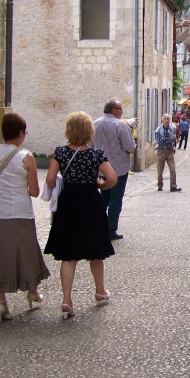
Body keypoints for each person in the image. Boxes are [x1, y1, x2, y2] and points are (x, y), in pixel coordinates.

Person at [0, 112, 49, 321]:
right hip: (20, 213)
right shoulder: (26, 158)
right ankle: (32, 291)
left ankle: (1, 303)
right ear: (20, 133)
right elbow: (34, 191)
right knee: (27, 252)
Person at [44, 111, 118, 319]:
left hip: (68, 203)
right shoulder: (96, 155)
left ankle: (67, 300)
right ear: (88, 131)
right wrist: (101, 185)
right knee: (96, 251)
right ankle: (100, 291)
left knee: (69, 255)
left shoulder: (60, 153)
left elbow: (50, 180)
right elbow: (112, 178)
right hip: (90, 203)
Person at [93, 99, 137, 240]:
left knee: (103, 198)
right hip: (118, 168)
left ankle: (98, 226)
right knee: (115, 200)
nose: (122, 111)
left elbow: (90, 145)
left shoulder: (95, 124)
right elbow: (130, 146)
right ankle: (111, 229)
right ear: (113, 110)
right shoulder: (120, 126)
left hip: (101, 168)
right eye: (120, 108)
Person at [155, 114, 181, 191]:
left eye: (168, 119)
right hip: (161, 151)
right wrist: (168, 139)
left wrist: (164, 138)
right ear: (162, 120)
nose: (166, 120)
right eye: (165, 119)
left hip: (170, 151)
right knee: (160, 170)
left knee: (172, 169)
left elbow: (173, 140)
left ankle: (173, 186)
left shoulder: (172, 128)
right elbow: (159, 141)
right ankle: (160, 185)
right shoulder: (158, 130)